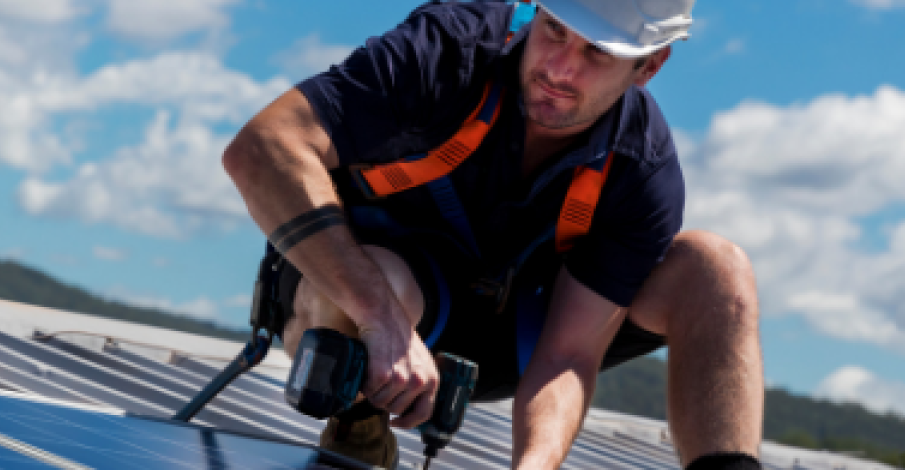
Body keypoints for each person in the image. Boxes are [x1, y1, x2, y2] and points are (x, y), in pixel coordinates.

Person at [221, 0, 763, 468]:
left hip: (509, 339)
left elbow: (568, 356)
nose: (558, 67)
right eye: (553, 28)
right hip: (361, 315)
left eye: (597, 53)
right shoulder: (445, 52)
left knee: (716, 269)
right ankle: (358, 431)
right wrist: (380, 318)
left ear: (650, 66)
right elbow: (263, 147)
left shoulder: (641, 171)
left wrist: (534, 465)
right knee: (385, 284)